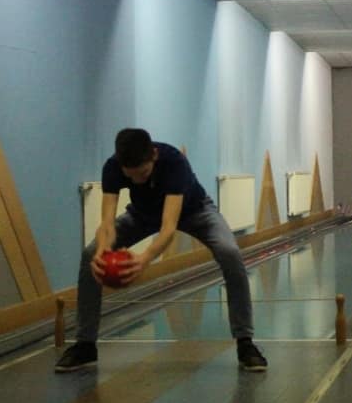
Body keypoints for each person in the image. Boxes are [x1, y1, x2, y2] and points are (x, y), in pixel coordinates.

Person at [55, 128, 267, 373]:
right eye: (131, 176)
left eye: (143, 174)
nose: (138, 181)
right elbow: (107, 224)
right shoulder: (112, 167)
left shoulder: (174, 162)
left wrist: (144, 259)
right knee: (90, 254)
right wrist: (102, 251)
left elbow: (168, 228)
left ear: (154, 155)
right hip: (142, 214)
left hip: (195, 211)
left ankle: (245, 343)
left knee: (230, 252)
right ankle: (85, 346)